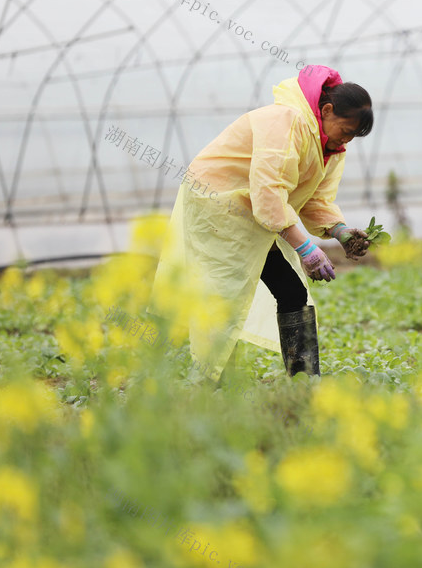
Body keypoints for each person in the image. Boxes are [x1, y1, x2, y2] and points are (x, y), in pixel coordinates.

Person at [150, 65, 373, 381]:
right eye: (346, 130)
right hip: (219, 204)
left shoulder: (330, 146)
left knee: (291, 291)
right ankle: (215, 383)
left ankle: (304, 381)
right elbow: (268, 192)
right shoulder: (286, 122)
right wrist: (305, 247)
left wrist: (339, 230)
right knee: (224, 295)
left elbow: (314, 198)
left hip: (253, 212)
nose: (347, 139)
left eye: (353, 136)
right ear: (327, 110)